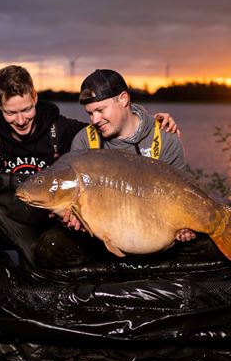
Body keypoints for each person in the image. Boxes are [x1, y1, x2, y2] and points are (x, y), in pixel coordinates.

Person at [0, 65, 179, 274]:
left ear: (35, 96)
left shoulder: (64, 130)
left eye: (27, 109)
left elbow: (112, 131)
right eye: (11, 113)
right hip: (4, 218)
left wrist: (151, 124)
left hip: (47, 224)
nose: (21, 120)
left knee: (52, 249)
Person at [46, 69, 197, 266]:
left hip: (156, 239)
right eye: (90, 113)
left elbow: (182, 197)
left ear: (123, 99)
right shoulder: (85, 141)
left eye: (100, 110)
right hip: (101, 244)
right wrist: (72, 220)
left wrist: (187, 226)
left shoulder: (165, 139)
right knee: (50, 245)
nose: (94, 120)